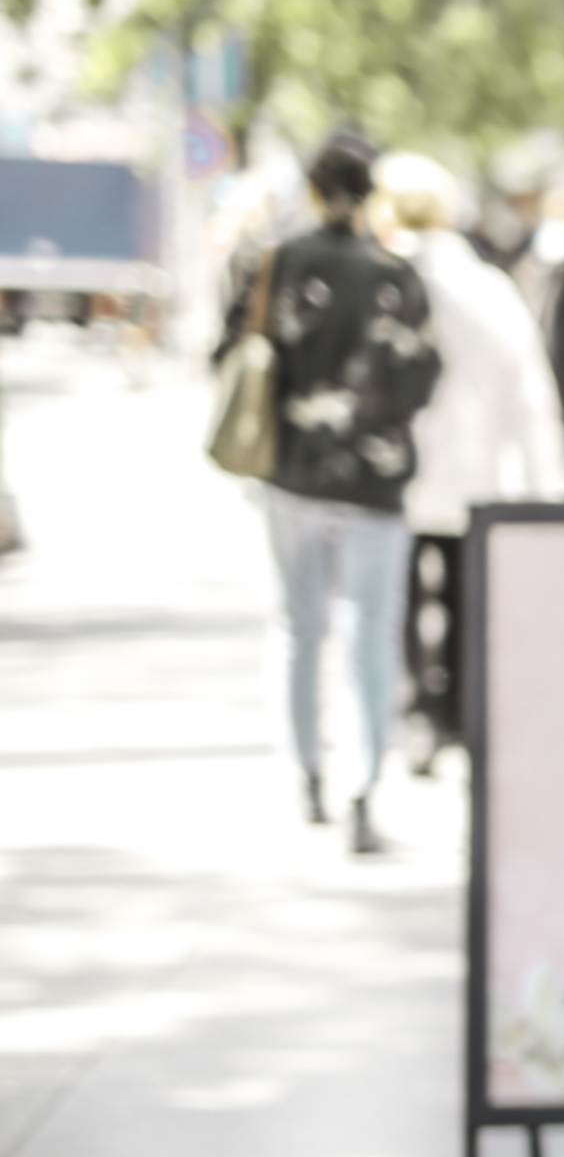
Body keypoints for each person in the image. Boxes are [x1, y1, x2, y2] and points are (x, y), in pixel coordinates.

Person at [218, 134, 443, 853]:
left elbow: (232, 353)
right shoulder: (396, 276)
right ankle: (364, 787)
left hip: (293, 471)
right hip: (375, 479)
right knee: (371, 633)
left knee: (299, 625)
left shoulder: (276, 263)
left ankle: (308, 772)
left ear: (313, 190)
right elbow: (423, 378)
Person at [371, 154, 564, 770]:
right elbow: (528, 388)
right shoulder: (485, 284)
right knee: (462, 591)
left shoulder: (380, 278)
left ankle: (413, 709)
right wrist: (543, 485)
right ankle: (454, 708)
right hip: (473, 469)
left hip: (394, 469)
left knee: (396, 594)